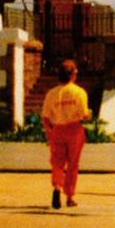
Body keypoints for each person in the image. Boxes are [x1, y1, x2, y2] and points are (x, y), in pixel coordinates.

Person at [41, 59, 91, 209]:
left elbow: (45, 117)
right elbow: (84, 115)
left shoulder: (52, 93)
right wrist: (90, 114)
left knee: (57, 163)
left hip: (57, 129)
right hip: (74, 130)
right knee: (73, 164)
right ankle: (69, 196)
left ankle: (57, 186)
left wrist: (49, 132)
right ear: (73, 75)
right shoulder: (79, 92)